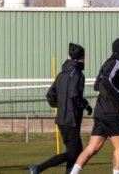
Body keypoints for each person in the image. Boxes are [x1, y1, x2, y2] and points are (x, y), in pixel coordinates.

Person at [70, 38, 119, 174]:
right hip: (111, 112)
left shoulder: (107, 63)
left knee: (92, 148)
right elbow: (106, 83)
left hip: (100, 111)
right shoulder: (117, 62)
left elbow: (97, 85)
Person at [30, 44, 92, 174]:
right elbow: (74, 94)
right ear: (81, 57)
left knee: (76, 153)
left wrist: (61, 106)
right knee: (72, 154)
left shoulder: (61, 74)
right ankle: (37, 169)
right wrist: (86, 105)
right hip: (71, 120)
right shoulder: (77, 74)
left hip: (61, 119)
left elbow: (50, 95)